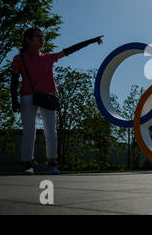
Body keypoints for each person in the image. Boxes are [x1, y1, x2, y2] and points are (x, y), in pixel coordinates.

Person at [10, 27, 103, 175]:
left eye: (43, 36)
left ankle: (52, 163)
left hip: (47, 97)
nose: (42, 38)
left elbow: (70, 50)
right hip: (27, 96)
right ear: (28, 39)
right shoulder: (19, 58)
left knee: (51, 131)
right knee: (29, 131)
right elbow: (14, 80)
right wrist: (14, 101)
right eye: (38, 36)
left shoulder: (48, 57)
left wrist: (92, 41)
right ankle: (28, 164)